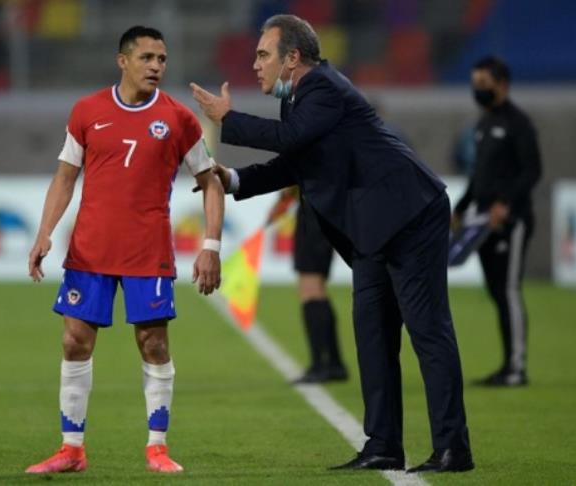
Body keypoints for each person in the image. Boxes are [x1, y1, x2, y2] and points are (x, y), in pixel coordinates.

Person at [191, 14, 473, 473]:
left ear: (292, 58)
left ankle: (452, 448)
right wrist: (234, 179)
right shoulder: (298, 100)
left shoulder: (323, 87)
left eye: (263, 55)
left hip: (410, 216)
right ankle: (383, 445)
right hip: (372, 232)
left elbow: (288, 140)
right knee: (373, 338)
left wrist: (227, 119)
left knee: (428, 332)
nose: (255, 64)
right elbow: (294, 163)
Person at [25, 26, 224, 475]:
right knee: (74, 341)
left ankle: (157, 448)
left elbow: (211, 183)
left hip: (147, 252)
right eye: (147, 57)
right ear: (123, 61)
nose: (156, 66)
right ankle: (71, 449)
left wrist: (210, 245)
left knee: (153, 343)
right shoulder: (88, 110)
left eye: (162, 59)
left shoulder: (178, 119)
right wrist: (44, 233)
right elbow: (65, 177)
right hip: (90, 249)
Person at [452, 56, 542, 387]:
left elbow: (532, 171)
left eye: (483, 84)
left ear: (502, 84)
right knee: (495, 291)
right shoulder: (484, 124)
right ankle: (507, 365)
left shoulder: (518, 123)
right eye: (475, 84)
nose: (477, 90)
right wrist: (461, 207)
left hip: (509, 221)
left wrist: (506, 205)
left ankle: (516, 367)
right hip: (481, 220)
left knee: (508, 290)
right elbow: (479, 176)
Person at [267, 187, 348, 383]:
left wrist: (284, 195)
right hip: (324, 208)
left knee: (310, 288)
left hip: (313, 209)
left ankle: (321, 365)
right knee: (316, 288)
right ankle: (334, 363)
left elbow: (296, 176)